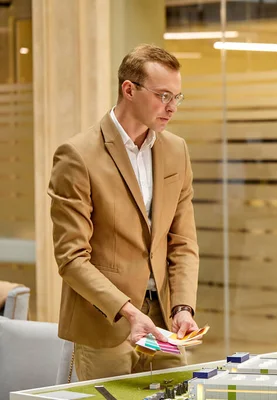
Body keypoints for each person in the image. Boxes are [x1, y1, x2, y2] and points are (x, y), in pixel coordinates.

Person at [48, 44, 200, 381]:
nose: (172, 107)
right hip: (105, 324)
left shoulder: (176, 150)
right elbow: (71, 257)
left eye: (177, 97)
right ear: (129, 89)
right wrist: (129, 312)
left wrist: (183, 306)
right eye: (163, 95)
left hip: (162, 323)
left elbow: (183, 242)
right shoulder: (77, 155)